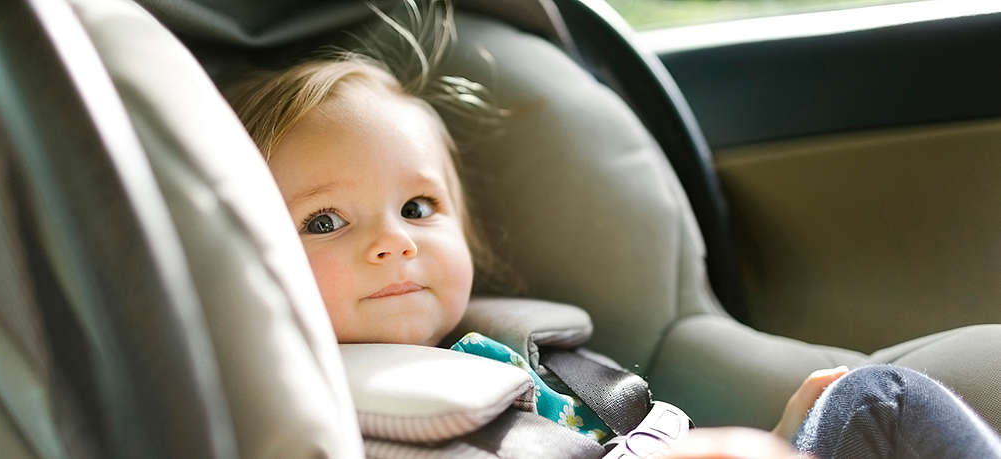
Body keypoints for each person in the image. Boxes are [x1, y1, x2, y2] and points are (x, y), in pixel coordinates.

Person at [225, 1, 1001, 457]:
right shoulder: (302, 416)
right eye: (324, 220)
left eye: (419, 208)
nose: (393, 241)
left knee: (877, 401)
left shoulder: (520, 359)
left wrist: (771, 432)